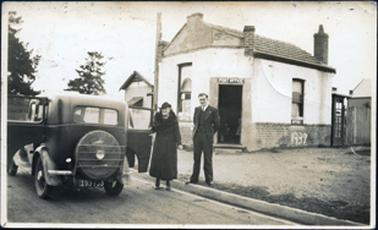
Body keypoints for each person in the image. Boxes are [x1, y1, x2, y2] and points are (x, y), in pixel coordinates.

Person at [187, 93, 219, 186]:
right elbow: (195, 122)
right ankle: (194, 178)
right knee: (196, 159)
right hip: (197, 137)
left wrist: (210, 133)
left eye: (203, 99)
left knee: (207, 159)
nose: (202, 101)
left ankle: (209, 179)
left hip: (207, 138)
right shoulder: (197, 110)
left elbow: (217, 124)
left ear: (207, 99)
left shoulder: (213, 110)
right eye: (200, 100)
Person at [149, 102, 182, 191]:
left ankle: (168, 184)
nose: (164, 111)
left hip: (170, 143)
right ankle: (157, 183)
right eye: (163, 110)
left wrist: (179, 143)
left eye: (166, 109)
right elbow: (153, 128)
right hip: (159, 142)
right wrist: (150, 132)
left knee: (169, 163)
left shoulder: (173, 120)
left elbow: (176, 131)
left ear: (169, 110)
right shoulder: (158, 118)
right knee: (158, 162)